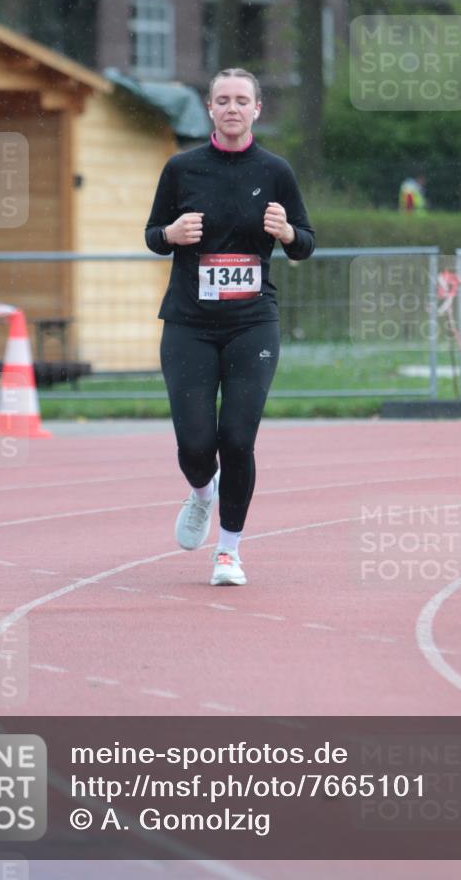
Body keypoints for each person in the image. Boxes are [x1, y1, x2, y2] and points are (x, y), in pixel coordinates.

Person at [145, 68, 315, 586]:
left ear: (257, 108)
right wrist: (171, 233)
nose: (233, 108)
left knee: (238, 439)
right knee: (195, 445)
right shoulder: (182, 168)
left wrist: (288, 233)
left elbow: (305, 243)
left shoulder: (276, 170)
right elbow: (153, 235)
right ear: (210, 108)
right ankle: (202, 493)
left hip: (251, 323)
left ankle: (229, 551)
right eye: (223, 100)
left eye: (242, 100)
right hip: (189, 325)